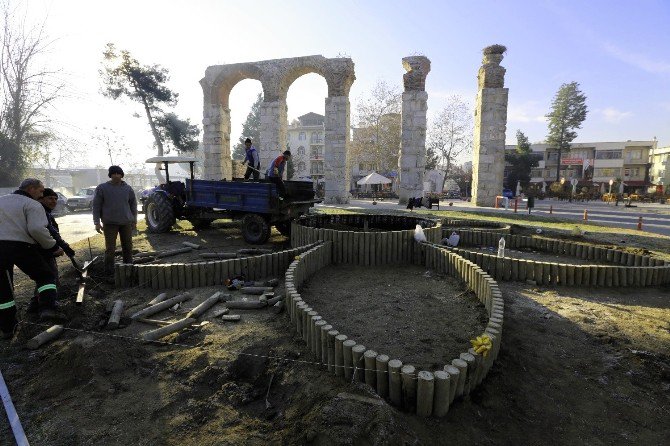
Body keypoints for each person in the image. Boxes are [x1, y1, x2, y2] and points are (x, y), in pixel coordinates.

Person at [0, 179, 64, 338]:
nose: (42, 195)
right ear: (31, 189)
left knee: (3, 288)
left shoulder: (1, 200)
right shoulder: (32, 204)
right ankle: (47, 309)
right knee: (45, 275)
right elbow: (36, 229)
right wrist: (53, 247)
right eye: (41, 191)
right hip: (21, 246)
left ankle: (8, 328)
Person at [26, 188, 75, 313]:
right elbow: (51, 232)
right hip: (42, 250)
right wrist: (64, 246)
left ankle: (34, 305)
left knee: (44, 277)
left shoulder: (44, 212)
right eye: (50, 198)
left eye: (55, 199)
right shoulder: (40, 211)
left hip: (43, 249)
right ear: (42, 198)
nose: (54, 201)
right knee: (50, 277)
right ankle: (47, 307)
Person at [93, 165, 138, 275]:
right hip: (109, 224)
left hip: (126, 223)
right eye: (114, 173)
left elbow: (133, 205)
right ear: (110, 175)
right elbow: (96, 206)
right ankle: (109, 272)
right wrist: (97, 222)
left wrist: (134, 220)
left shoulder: (128, 188)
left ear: (122, 175)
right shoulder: (102, 188)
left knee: (128, 247)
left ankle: (129, 269)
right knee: (110, 249)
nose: (117, 176)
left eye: (119, 173)